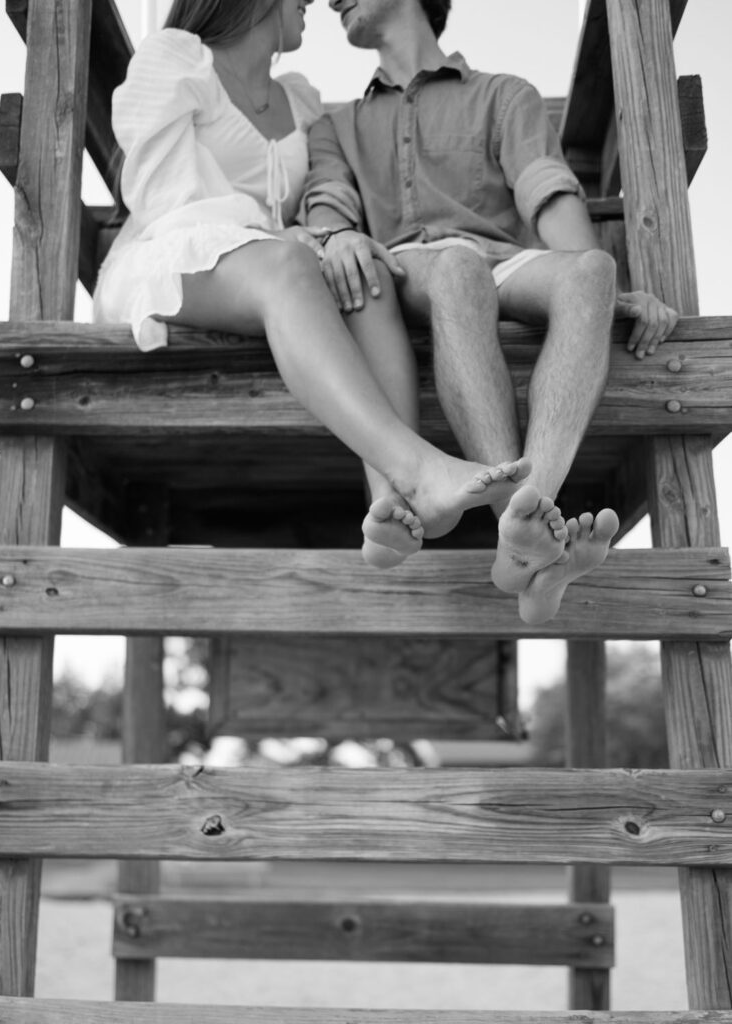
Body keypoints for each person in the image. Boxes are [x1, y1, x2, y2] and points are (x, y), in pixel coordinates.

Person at [93, 0, 537, 562]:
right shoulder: (178, 59)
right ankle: (417, 467)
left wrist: (330, 237)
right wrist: (286, 239)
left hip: (279, 276)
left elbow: (317, 205)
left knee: (361, 269)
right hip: (173, 263)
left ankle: (390, 505)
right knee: (293, 264)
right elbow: (163, 199)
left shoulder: (298, 98)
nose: (314, 1)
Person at [301, 0, 679, 622]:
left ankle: (526, 531)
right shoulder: (334, 125)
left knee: (593, 270)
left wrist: (609, 294)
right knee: (457, 265)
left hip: (501, 264)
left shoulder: (505, 95)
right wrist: (332, 233)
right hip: (409, 271)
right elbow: (328, 207)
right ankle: (520, 528)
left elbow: (546, 191)